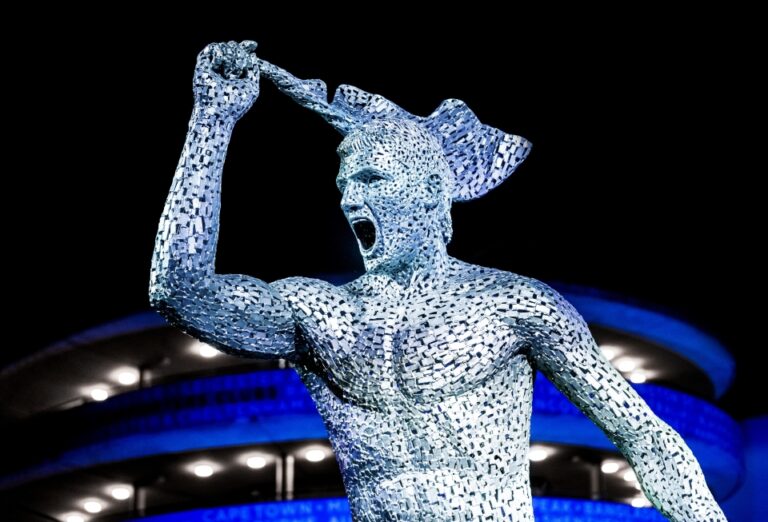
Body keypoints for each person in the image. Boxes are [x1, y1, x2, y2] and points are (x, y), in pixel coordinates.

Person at [150, 41, 725, 521]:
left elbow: (644, 436)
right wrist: (213, 121)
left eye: (372, 178)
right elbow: (179, 291)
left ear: (429, 191)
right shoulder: (322, 313)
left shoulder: (514, 304)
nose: (350, 198)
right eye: (345, 184)